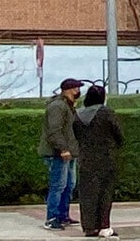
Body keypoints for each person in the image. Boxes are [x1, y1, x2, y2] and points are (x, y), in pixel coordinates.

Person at [73, 83, 125, 239]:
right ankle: (104, 226)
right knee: (104, 193)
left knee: (88, 194)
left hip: (86, 159)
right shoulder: (106, 112)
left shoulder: (78, 115)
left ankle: (89, 227)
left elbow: (75, 135)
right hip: (106, 158)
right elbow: (118, 134)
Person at [39, 77, 83, 230]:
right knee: (58, 185)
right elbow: (54, 131)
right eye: (76, 88)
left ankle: (63, 215)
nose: (78, 91)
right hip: (58, 153)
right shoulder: (57, 106)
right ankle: (52, 218)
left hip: (69, 153)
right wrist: (63, 149)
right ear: (67, 90)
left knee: (69, 185)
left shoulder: (68, 106)